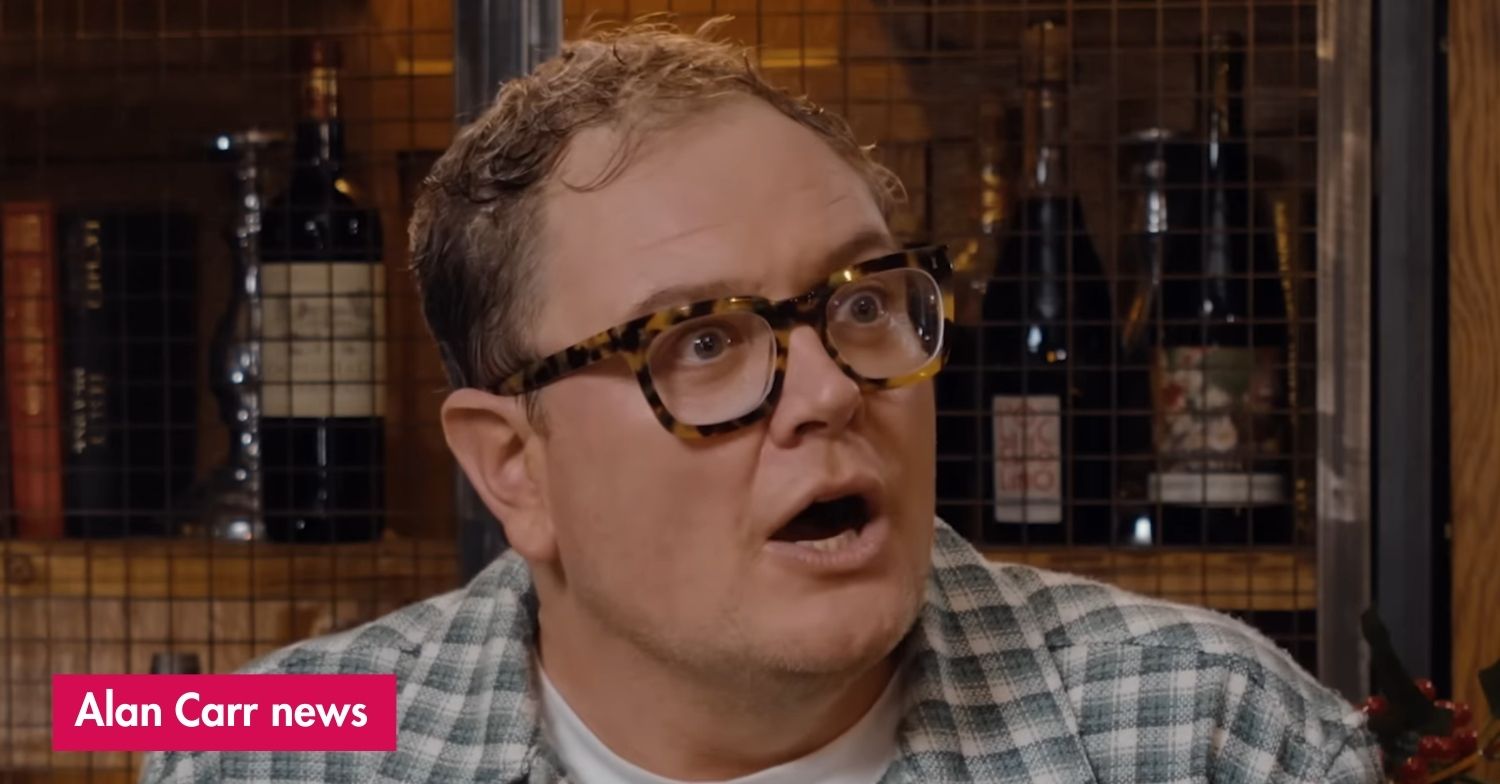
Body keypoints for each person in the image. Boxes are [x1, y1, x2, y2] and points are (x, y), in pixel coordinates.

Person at [140, 18, 1381, 784]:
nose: (832, 392)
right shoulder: (266, 753)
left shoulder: (1214, 737)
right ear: (515, 466)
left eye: (861, 303)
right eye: (701, 342)